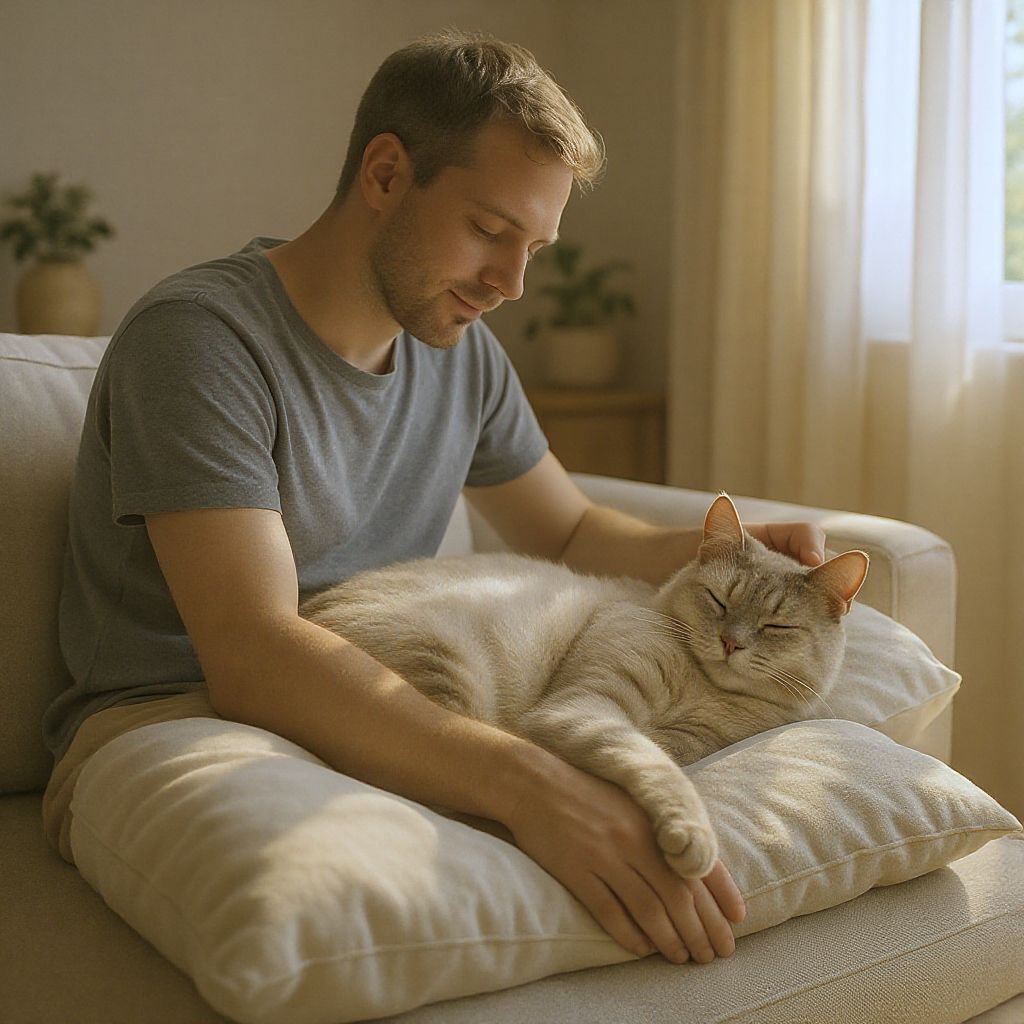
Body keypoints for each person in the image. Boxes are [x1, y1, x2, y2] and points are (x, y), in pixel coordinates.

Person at [41, 29, 826, 968]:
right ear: (384, 174)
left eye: (534, 247)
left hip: (395, 697)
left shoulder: (462, 357)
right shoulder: (200, 340)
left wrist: (725, 562)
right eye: (492, 232)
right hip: (183, 718)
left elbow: (570, 528)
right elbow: (250, 652)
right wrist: (530, 785)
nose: (511, 285)